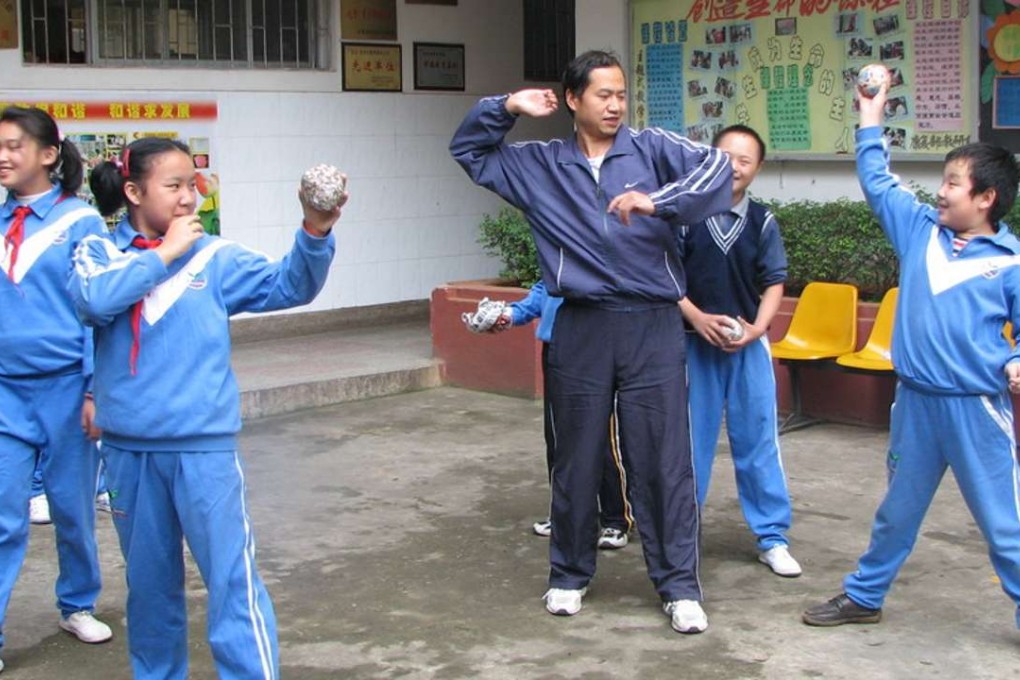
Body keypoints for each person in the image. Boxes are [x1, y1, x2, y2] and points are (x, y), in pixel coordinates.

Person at [450, 50, 732, 633]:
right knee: (576, 457)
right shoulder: (540, 165)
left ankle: (678, 586)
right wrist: (506, 107)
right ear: (573, 100)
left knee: (662, 458)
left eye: (621, 94)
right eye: (603, 94)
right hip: (581, 322)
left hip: (652, 323)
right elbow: (469, 151)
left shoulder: (653, 149)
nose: (615, 105)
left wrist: (658, 201)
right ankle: (569, 574)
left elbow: (718, 171)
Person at [72, 137, 341, 678]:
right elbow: (94, 302)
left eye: (192, 186)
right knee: (149, 588)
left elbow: (288, 285)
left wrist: (316, 228)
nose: (188, 199)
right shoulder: (98, 252)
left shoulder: (215, 258)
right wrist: (167, 253)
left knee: (231, 579)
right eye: (173, 187)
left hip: (204, 449)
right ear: (133, 191)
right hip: (127, 451)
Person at [802, 74, 1020, 629]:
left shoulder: (1011, 260)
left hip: (976, 410)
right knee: (896, 512)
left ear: (986, 198)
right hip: (917, 405)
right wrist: (869, 114)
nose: (941, 191)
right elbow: (876, 179)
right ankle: (864, 597)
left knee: (1004, 526)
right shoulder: (919, 230)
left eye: (953, 182)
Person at [0, 106, 113, 675]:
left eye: (14, 145)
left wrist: (95, 390)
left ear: (47, 155)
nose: (3, 156)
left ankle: (76, 604)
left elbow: (97, 314)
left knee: (72, 508)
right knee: (3, 515)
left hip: (67, 388)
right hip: (4, 392)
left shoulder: (81, 222)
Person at [677, 124, 802, 578]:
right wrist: (696, 317)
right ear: (709, 159)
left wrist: (757, 330)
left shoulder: (763, 221)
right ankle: (681, 533)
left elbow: (774, 283)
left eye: (744, 160)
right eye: (725, 156)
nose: (734, 166)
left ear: (758, 168)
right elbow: (666, 281)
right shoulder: (684, 216)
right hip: (693, 346)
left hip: (748, 348)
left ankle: (772, 537)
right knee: (690, 445)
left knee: (758, 443)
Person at [493, 281, 633, 549]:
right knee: (557, 435)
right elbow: (543, 289)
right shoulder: (556, 245)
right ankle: (565, 515)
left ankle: (615, 519)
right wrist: (510, 314)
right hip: (555, 345)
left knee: (601, 436)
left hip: (594, 345)